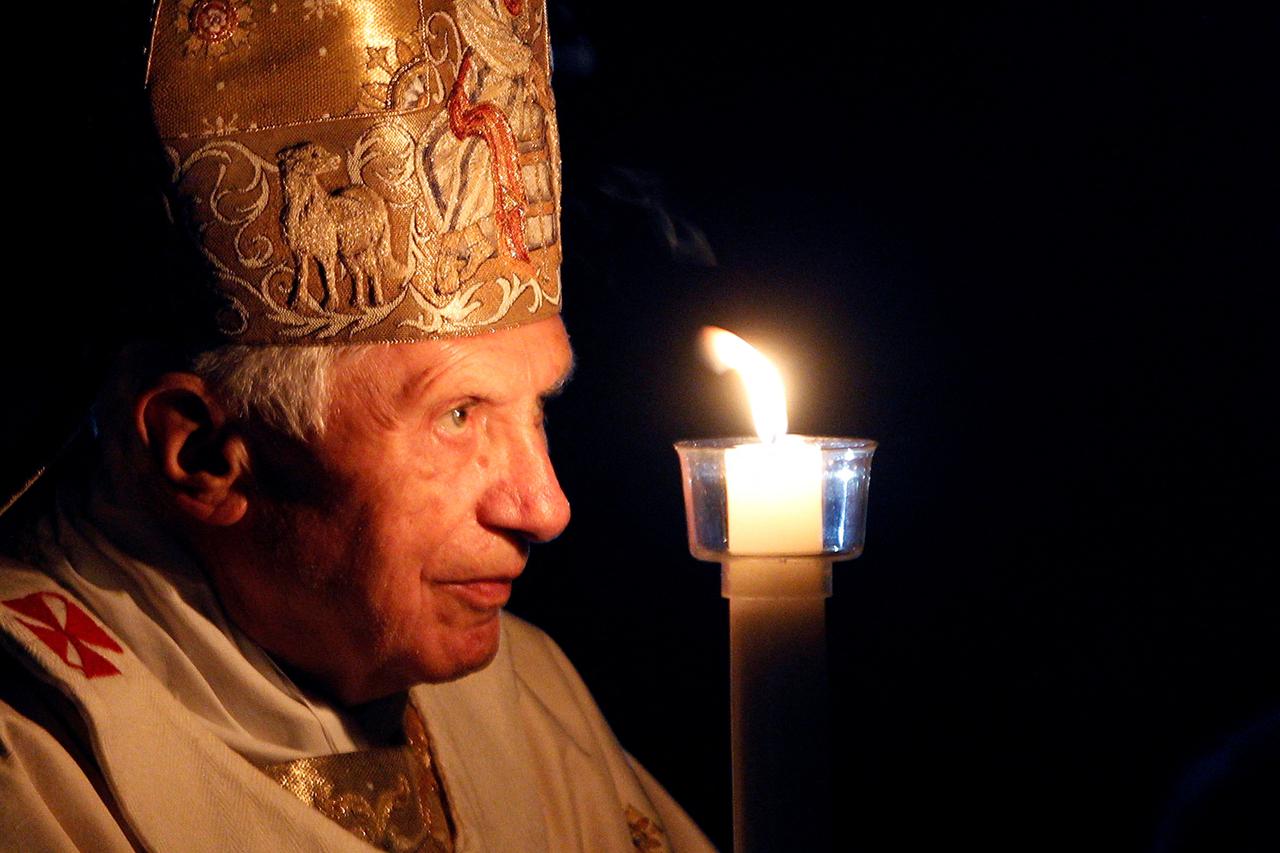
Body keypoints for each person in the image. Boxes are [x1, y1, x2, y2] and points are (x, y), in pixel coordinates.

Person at [0, 1, 714, 850]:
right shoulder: (29, 754)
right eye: (459, 415)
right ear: (205, 455)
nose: (545, 507)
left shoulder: (527, 685)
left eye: (538, 408)